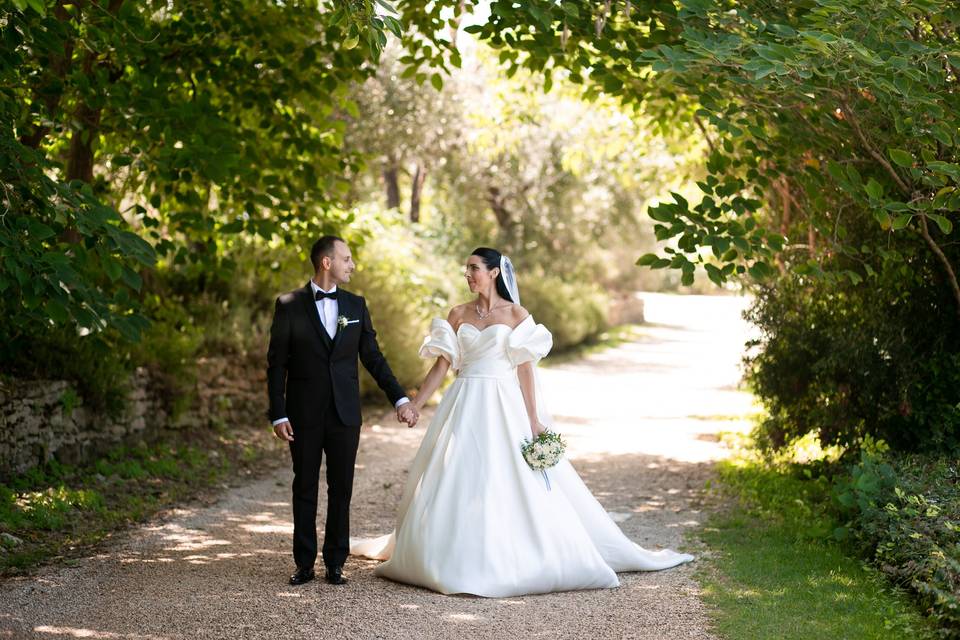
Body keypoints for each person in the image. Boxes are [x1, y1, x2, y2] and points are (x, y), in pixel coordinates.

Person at [351, 247, 694, 597]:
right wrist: (416, 405)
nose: (468, 275)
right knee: (457, 473)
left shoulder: (516, 315)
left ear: (495, 272)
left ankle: (512, 553)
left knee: (504, 475)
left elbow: (526, 371)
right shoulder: (457, 314)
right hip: (464, 401)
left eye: (474, 268)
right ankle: (449, 551)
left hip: (503, 404)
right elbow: (442, 365)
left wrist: (533, 420)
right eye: (466, 269)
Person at [267, 235, 419, 587]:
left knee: (342, 489)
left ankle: (335, 562)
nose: (351, 265)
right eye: (346, 259)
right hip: (302, 415)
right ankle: (304, 563)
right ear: (326, 262)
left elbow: (373, 359)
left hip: (345, 414)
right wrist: (278, 413)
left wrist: (400, 399)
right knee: (303, 486)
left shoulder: (355, 305)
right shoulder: (289, 305)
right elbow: (277, 365)